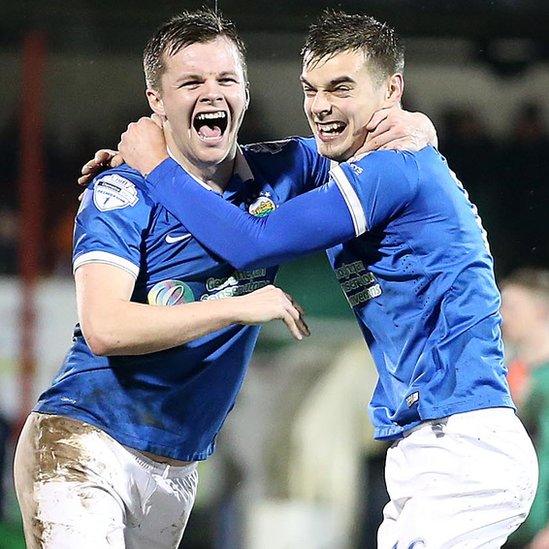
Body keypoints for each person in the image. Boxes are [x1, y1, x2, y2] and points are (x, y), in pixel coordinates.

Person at [112, 10, 538, 548]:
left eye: (341, 88)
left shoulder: (393, 168)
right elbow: (257, 162)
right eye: (310, 89)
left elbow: (253, 242)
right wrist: (155, 162)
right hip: (426, 441)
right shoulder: (354, 158)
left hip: (462, 441)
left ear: (391, 91)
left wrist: (156, 168)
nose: (320, 107)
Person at [15, 9, 433, 549]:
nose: (211, 93)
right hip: (86, 440)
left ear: (245, 93)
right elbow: (104, 326)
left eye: (226, 79)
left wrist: (419, 125)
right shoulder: (120, 192)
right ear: (156, 101)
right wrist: (238, 305)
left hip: (177, 466)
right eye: (190, 81)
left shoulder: (285, 170)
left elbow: (373, 147)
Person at [501, 268, 549, 549]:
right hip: (507, 530)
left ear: (542, 310)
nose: (502, 315)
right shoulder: (511, 374)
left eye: (512, 307)